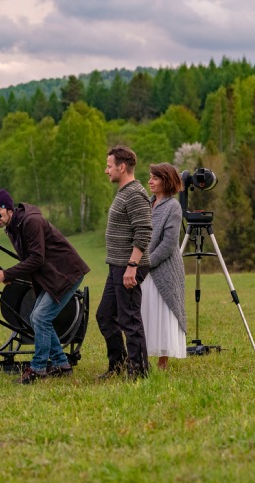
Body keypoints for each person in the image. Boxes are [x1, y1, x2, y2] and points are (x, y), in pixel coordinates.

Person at [0, 189, 90, 384]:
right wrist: (12, 277)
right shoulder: (12, 227)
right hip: (53, 275)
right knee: (36, 318)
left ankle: (38, 368)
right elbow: (29, 259)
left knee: (41, 317)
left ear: (7, 209)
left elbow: (36, 258)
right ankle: (62, 364)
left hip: (66, 273)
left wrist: (7, 273)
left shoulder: (30, 221)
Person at [97, 145, 152, 380]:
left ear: (122, 167)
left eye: (109, 166)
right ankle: (118, 366)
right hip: (117, 265)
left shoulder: (135, 193)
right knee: (105, 316)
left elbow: (144, 231)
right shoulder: (123, 192)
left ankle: (139, 372)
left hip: (129, 266)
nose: (106, 170)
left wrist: (132, 266)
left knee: (129, 319)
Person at [140, 162, 187, 370]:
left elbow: (169, 243)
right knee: (146, 311)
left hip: (165, 269)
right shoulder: (146, 203)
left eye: (155, 178)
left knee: (163, 312)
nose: (150, 181)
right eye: (150, 177)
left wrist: (147, 262)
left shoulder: (173, 207)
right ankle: (144, 358)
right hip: (142, 268)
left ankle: (163, 362)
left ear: (166, 181)